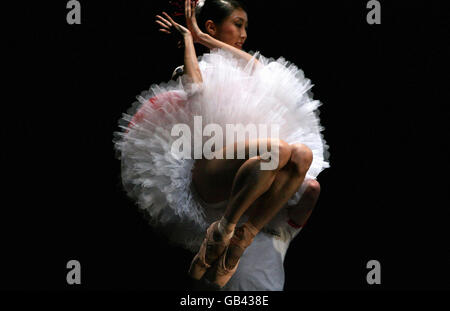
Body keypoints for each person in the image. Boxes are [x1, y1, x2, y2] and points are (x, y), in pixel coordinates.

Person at [114, 0, 329, 290]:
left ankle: (242, 238)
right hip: (209, 168)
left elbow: (255, 65)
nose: (244, 34)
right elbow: (197, 91)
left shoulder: (246, 72)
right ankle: (222, 231)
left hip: (249, 168)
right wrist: (191, 40)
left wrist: (203, 37)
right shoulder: (192, 68)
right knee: (277, 150)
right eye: (238, 24)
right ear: (214, 25)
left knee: (301, 155)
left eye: (246, 27)